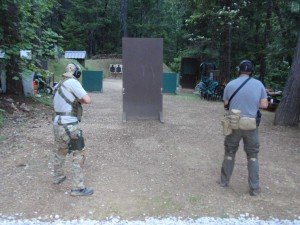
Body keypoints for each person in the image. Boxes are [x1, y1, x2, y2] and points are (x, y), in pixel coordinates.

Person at [218, 59, 268, 196]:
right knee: (252, 156)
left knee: (229, 153)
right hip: (251, 125)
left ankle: (224, 181)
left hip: (234, 124)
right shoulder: (259, 85)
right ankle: (254, 188)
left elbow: (226, 104)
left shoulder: (231, 84)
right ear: (252, 71)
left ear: (239, 69)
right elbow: (264, 105)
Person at [52, 63, 93, 196]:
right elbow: (87, 99)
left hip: (57, 123)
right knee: (79, 153)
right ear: (76, 73)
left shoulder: (58, 84)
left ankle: (58, 177)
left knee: (60, 151)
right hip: (69, 124)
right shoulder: (72, 83)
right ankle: (78, 188)